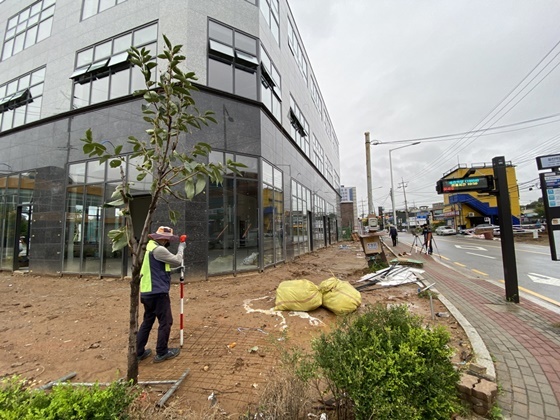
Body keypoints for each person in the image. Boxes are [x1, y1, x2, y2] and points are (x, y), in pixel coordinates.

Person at [137, 226, 187, 363]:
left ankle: (138, 352)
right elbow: (177, 259)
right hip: (158, 293)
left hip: (147, 291)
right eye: (169, 238)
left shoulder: (149, 248)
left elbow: (158, 269)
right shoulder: (159, 249)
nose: (170, 240)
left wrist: (176, 271)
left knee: (147, 321)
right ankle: (162, 352)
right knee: (165, 322)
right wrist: (181, 247)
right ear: (164, 238)